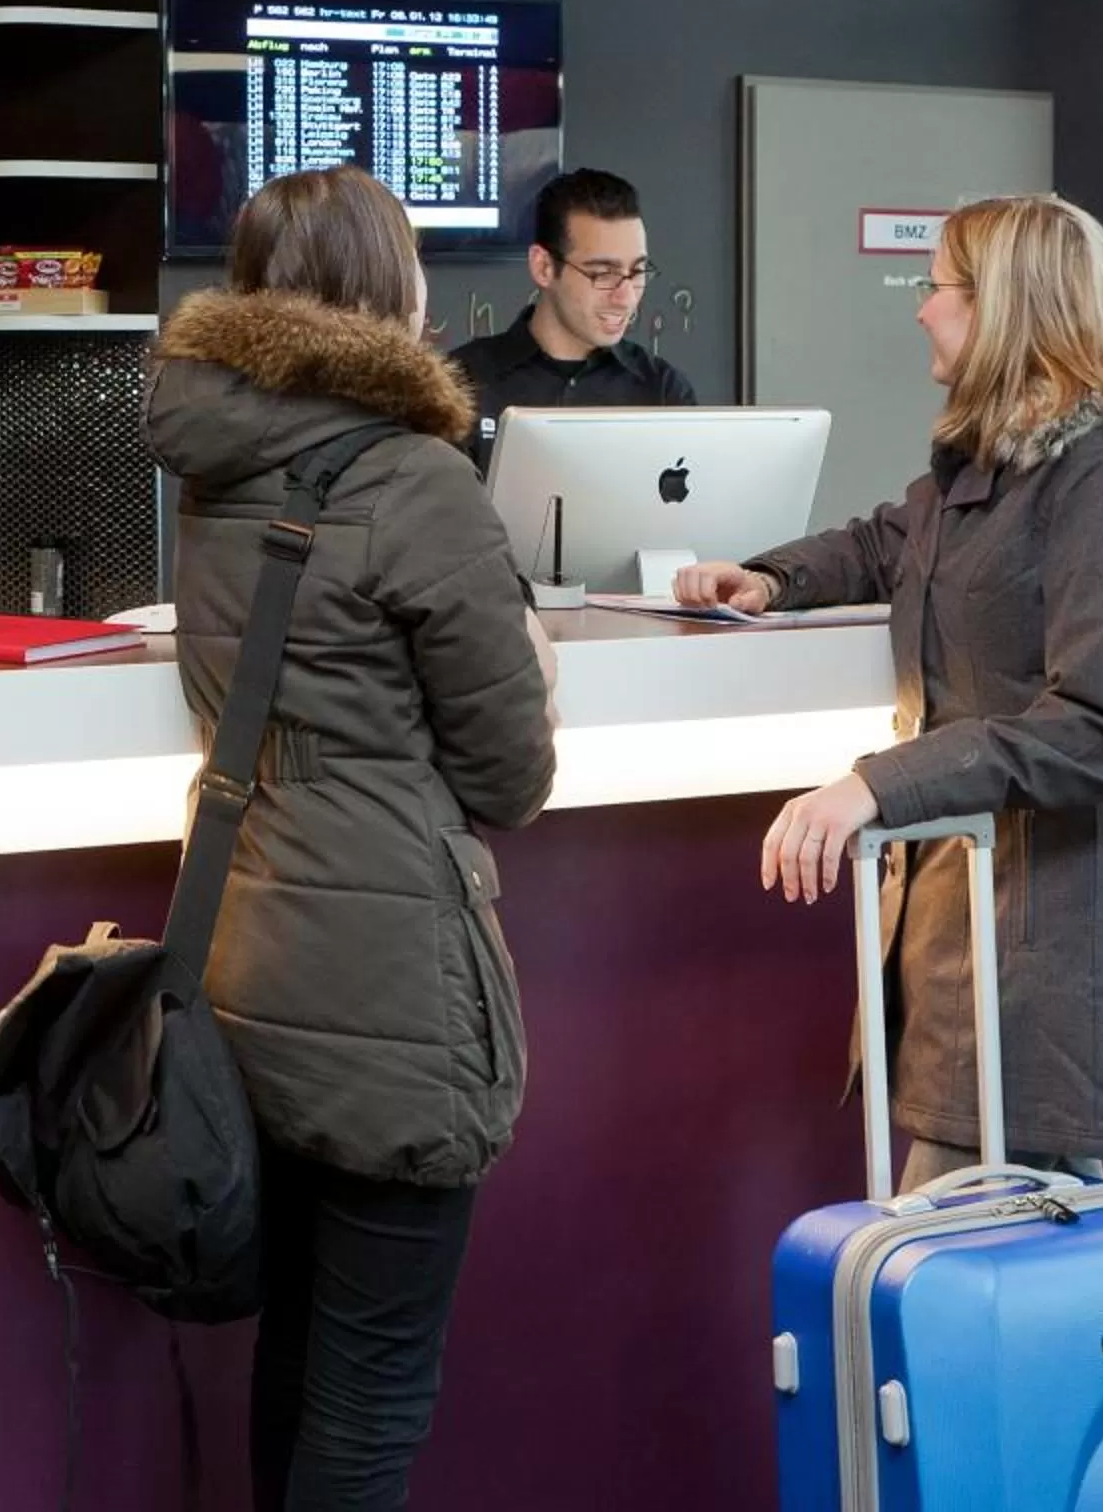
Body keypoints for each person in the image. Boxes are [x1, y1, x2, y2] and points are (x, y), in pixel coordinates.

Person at [147, 164, 559, 1510]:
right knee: (375, 1390)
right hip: (391, 979)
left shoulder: (215, 463)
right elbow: (510, 773)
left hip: (251, 954)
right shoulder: (416, 479)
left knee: (301, 1355)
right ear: (392, 293)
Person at [673, 195, 1103, 1189]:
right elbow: (887, 541)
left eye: (940, 288)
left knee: (977, 1257)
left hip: (1053, 951)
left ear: (1006, 310)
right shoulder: (988, 470)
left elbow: (1101, 726)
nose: (922, 309)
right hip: (972, 937)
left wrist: (875, 784)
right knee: (1017, 1274)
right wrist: (768, 576)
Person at [446, 167, 696, 473]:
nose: (626, 297)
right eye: (604, 274)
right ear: (544, 268)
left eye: (638, 272)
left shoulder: (664, 392)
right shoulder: (460, 385)